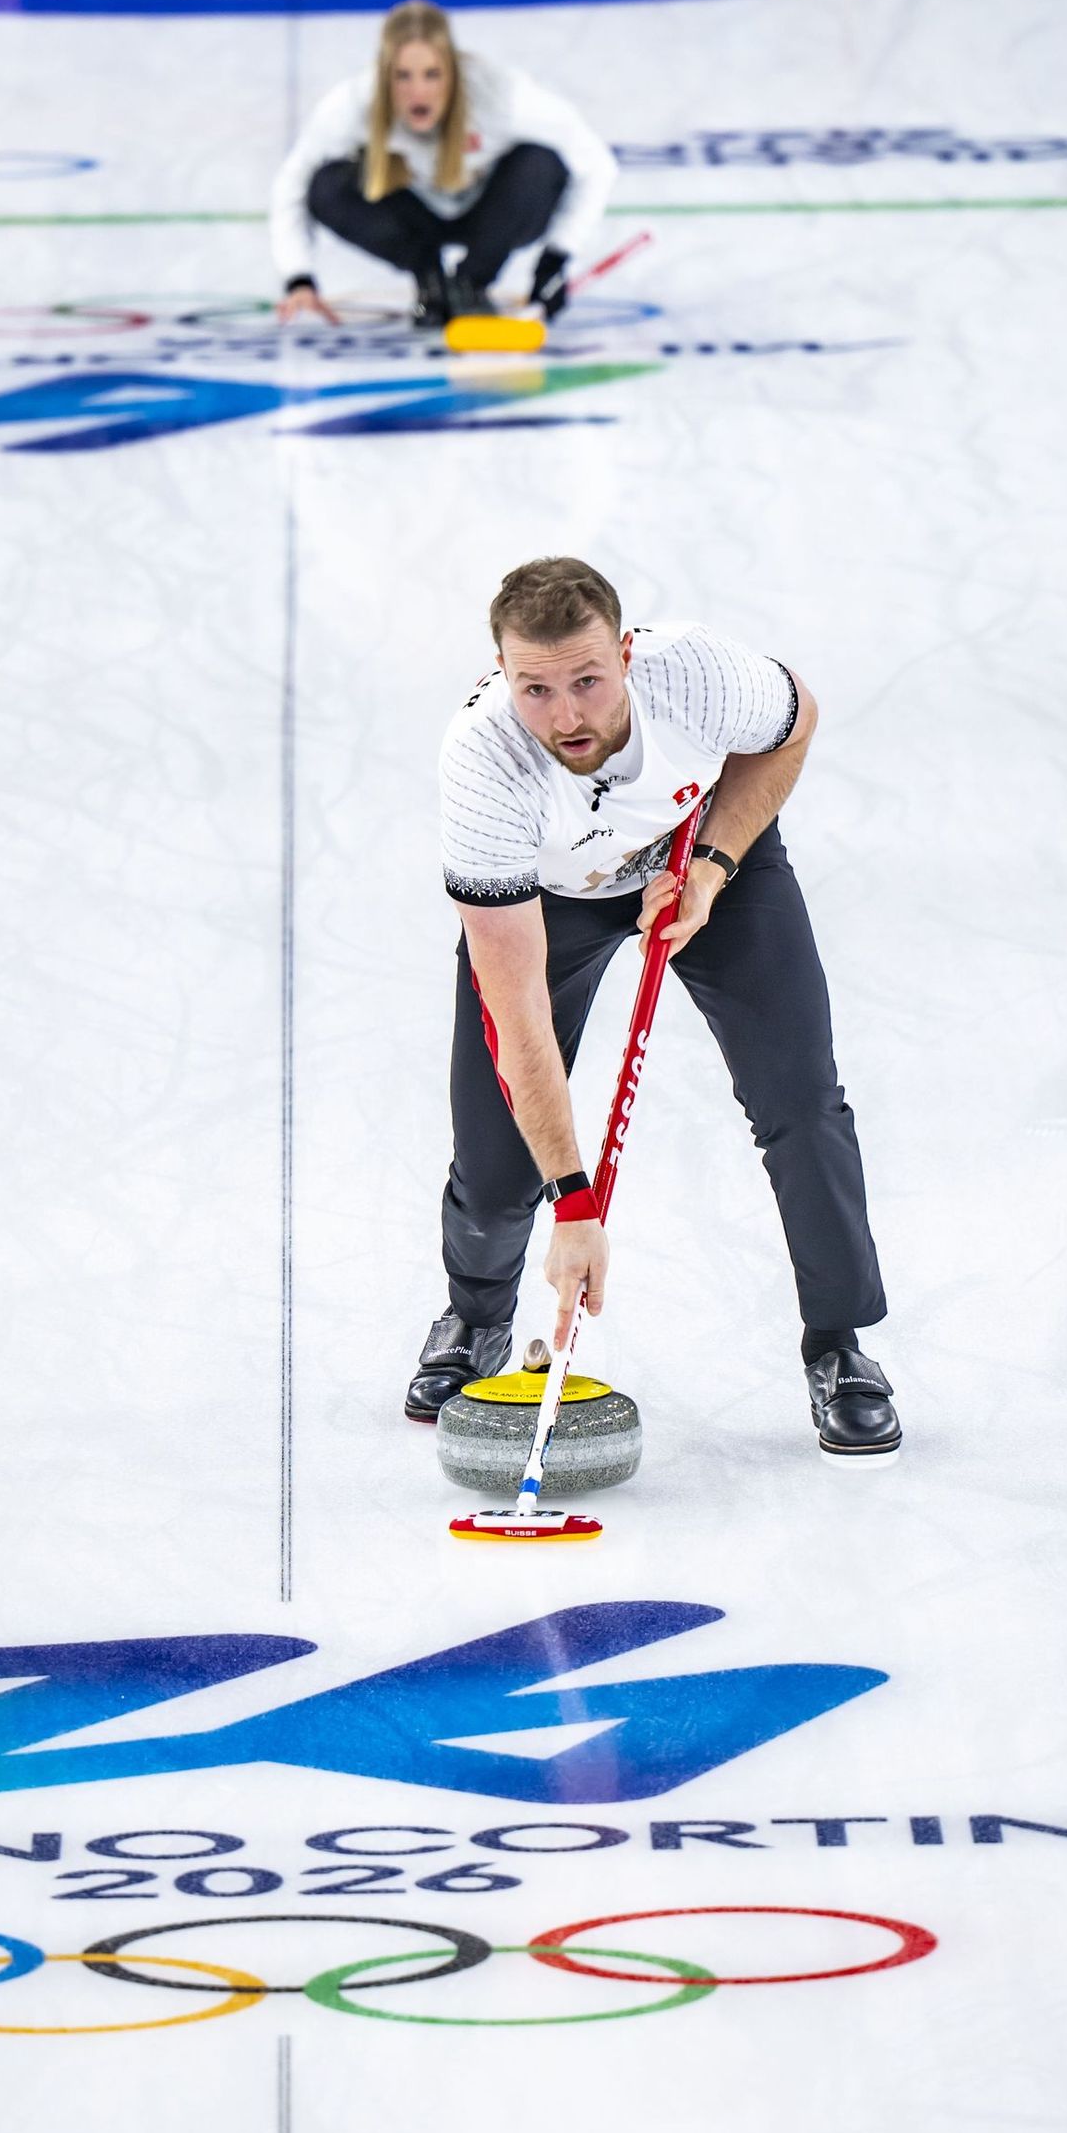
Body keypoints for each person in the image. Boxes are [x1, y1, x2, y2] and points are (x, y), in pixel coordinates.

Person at [408, 556, 901, 1458]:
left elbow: (794, 726)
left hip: (704, 860)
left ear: (627, 655)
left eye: (588, 681)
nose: (567, 716)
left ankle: (839, 1346)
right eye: (537, 689)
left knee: (801, 1103)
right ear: (502, 675)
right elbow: (517, 1017)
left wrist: (714, 863)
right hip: (551, 897)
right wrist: (575, 1202)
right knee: (495, 1154)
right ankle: (474, 1319)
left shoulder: (699, 675)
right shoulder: (483, 766)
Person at [270, 0, 618, 328]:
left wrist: (554, 261)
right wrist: (299, 277)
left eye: (431, 74)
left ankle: (472, 281)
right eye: (403, 76)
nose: (418, 92)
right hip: (416, 219)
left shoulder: (501, 95)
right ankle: (432, 283)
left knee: (541, 164)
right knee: (328, 185)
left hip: (495, 217)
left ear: (452, 70)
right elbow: (294, 181)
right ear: (384, 74)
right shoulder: (356, 102)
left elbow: (597, 165)